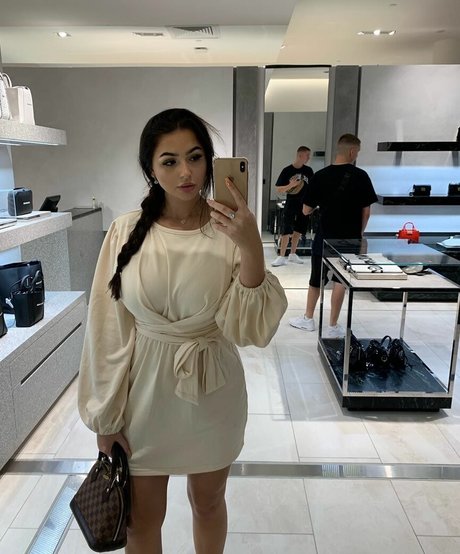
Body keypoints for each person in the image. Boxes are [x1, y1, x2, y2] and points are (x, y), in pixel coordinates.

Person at [77, 108, 287, 554]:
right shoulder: (124, 232)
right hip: (143, 397)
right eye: (169, 161)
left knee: (208, 503)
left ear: (209, 161)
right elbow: (106, 330)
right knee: (141, 520)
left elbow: (249, 328)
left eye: (194, 157)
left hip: (213, 391)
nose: (186, 172)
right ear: (150, 170)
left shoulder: (230, 230)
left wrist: (251, 245)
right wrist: (105, 416)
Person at [289, 134, 377, 337]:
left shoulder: (320, 176)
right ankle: (332, 326)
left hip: (324, 236)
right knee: (340, 280)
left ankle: (308, 318)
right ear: (352, 151)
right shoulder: (361, 176)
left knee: (316, 278)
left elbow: (305, 210)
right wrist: (359, 234)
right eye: (358, 152)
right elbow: (366, 212)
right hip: (349, 239)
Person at [271, 146, 314, 267]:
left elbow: (313, 187)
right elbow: (279, 189)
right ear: (300, 155)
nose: (308, 158)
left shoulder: (309, 171)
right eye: (307, 155)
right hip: (291, 203)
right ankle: (281, 256)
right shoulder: (287, 170)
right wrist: (291, 185)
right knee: (286, 229)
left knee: (299, 229)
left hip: (304, 204)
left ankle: (293, 254)